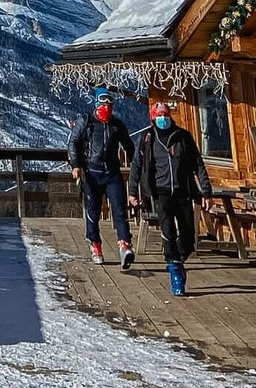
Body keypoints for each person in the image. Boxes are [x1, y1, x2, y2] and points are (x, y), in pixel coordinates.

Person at [130, 97, 213, 296]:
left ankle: (179, 260)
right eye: (159, 115)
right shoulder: (147, 139)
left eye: (165, 115)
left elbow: (198, 164)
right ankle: (174, 269)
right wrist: (133, 192)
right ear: (153, 118)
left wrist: (206, 191)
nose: (163, 118)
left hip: (183, 190)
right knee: (167, 230)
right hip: (161, 192)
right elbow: (136, 166)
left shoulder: (183, 136)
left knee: (188, 236)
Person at [67, 86, 135, 268]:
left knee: (119, 209)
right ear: (96, 104)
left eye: (110, 105)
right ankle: (95, 244)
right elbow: (73, 143)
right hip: (92, 172)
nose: (107, 107)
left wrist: (138, 165)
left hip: (112, 172)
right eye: (103, 103)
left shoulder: (117, 125)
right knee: (93, 210)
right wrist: (76, 165)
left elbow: (129, 146)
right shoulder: (86, 121)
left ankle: (125, 244)